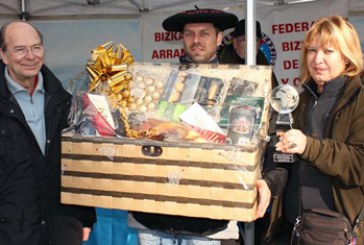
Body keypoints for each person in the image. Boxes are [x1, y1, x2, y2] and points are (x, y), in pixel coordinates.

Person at [129, 8, 287, 245]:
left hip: (210, 223)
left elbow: (265, 141)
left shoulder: (241, 85)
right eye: (189, 34)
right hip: (154, 219)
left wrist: (268, 180)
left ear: (219, 38)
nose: (196, 40)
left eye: (204, 33)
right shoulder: (161, 82)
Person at [267, 15, 364, 244]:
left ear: (347, 57)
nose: (317, 59)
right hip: (292, 230)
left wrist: (309, 146)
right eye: (311, 50)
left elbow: (359, 164)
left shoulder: (359, 100)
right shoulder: (299, 101)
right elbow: (283, 161)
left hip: (336, 233)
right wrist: (267, 182)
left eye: (328, 51)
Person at [0, 20, 96, 245]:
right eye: (20, 49)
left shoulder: (65, 102)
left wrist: (84, 218)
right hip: (11, 231)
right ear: (3, 55)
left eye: (36, 47)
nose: (30, 56)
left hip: (61, 229)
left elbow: (78, 163)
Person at [218, 19, 278, 88]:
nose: (250, 45)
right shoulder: (220, 64)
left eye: (255, 40)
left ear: (259, 43)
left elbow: (274, 91)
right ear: (235, 43)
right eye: (244, 40)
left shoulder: (262, 60)